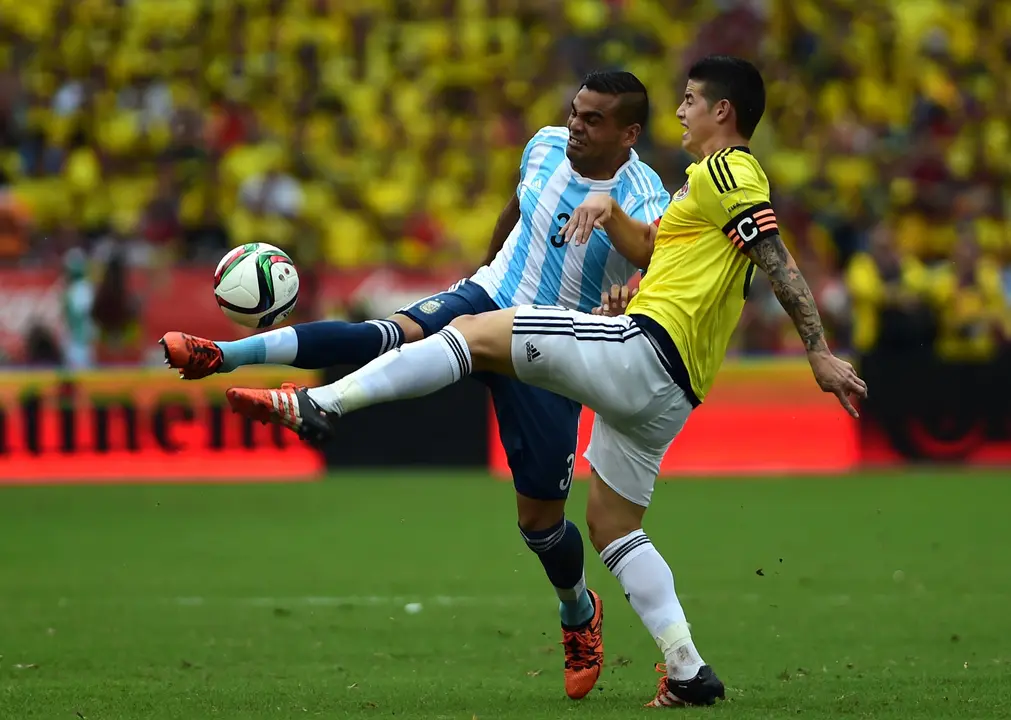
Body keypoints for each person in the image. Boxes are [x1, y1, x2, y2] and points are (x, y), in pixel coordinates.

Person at [225, 55, 868, 708]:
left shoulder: (731, 170)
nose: (681, 109)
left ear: (721, 112)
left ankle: (320, 402)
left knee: (476, 332)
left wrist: (815, 350)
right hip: (672, 394)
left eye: (691, 100)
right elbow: (655, 252)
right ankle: (686, 670)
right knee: (611, 526)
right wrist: (606, 212)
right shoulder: (698, 183)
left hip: (646, 351)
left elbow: (773, 256)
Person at [160, 70, 671, 700]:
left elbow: (659, 261)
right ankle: (226, 354)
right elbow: (519, 207)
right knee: (389, 332)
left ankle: (577, 611)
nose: (576, 125)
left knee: (540, 523)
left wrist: (630, 290)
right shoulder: (542, 146)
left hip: (552, 345)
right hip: (490, 295)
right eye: (575, 111)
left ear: (629, 132)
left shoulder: (646, 196)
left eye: (593, 120)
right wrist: (484, 271)